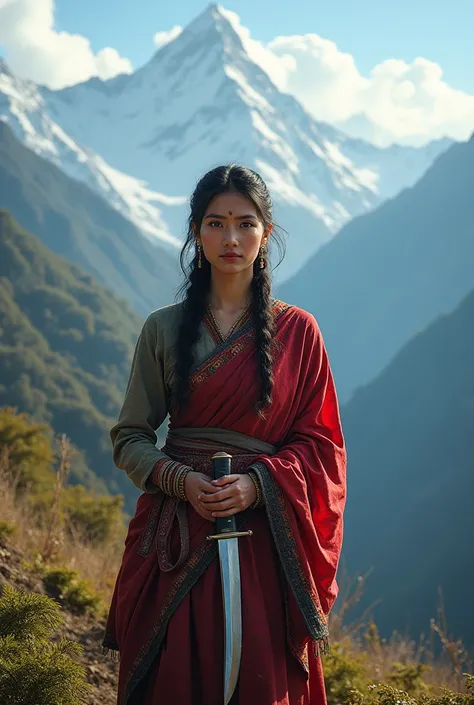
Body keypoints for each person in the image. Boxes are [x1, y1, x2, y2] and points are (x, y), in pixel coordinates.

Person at [103, 164, 347, 705]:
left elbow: (322, 445)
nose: (230, 238)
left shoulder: (300, 332)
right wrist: (181, 481)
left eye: (245, 223)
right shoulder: (163, 328)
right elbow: (130, 437)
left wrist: (260, 483)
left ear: (266, 232)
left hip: (265, 544)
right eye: (215, 223)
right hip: (174, 534)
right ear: (196, 232)